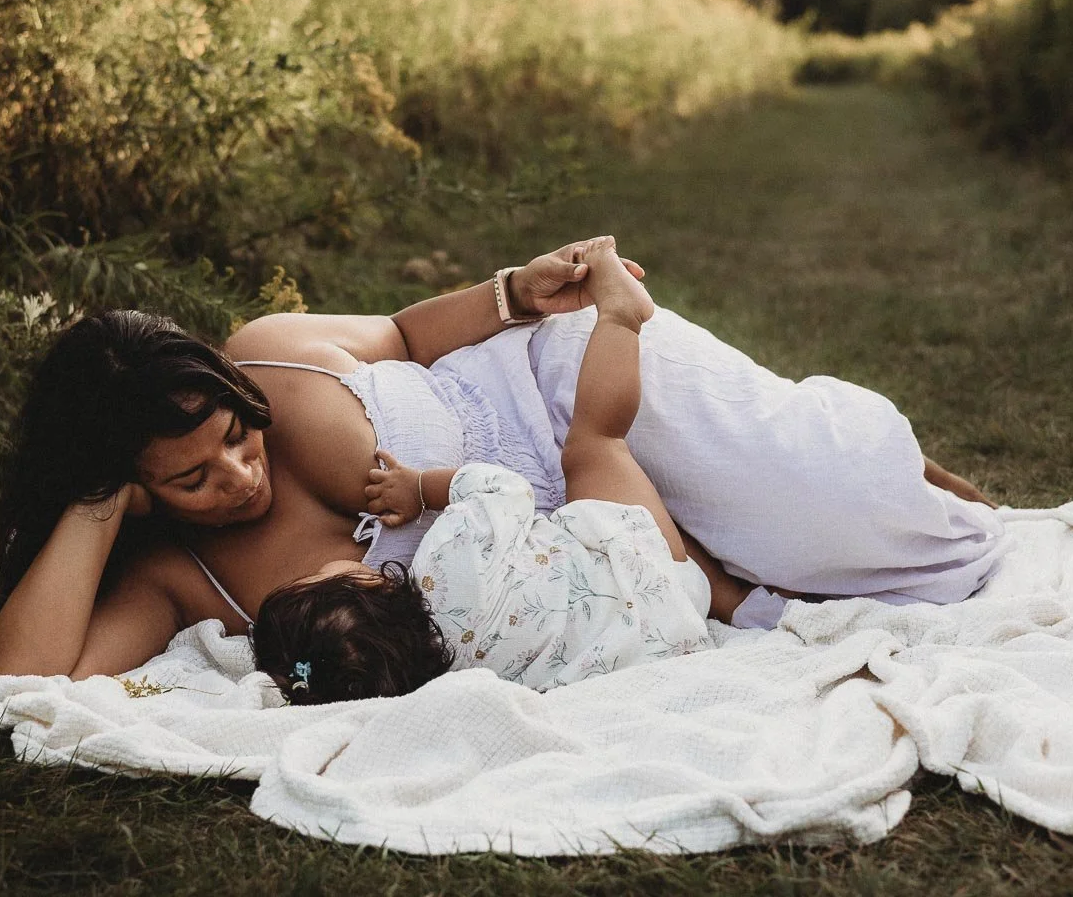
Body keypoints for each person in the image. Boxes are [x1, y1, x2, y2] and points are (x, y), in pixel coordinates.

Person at [0, 236, 1001, 680]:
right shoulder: (177, 578)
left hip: (571, 386)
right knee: (849, 571)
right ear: (136, 493)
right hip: (612, 536)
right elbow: (24, 674)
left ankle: (862, 451)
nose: (242, 476)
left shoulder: (267, 349)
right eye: (193, 478)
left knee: (847, 511)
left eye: (240, 438)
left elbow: (400, 333)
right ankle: (835, 470)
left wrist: (516, 289)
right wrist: (94, 497)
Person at [253, 238, 728, 702]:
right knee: (596, 443)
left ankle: (740, 599)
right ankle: (622, 315)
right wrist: (419, 488)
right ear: (365, 582)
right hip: (644, 566)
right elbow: (503, 490)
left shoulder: (454, 680)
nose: (306, 571)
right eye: (310, 580)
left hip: (669, 634)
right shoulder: (444, 563)